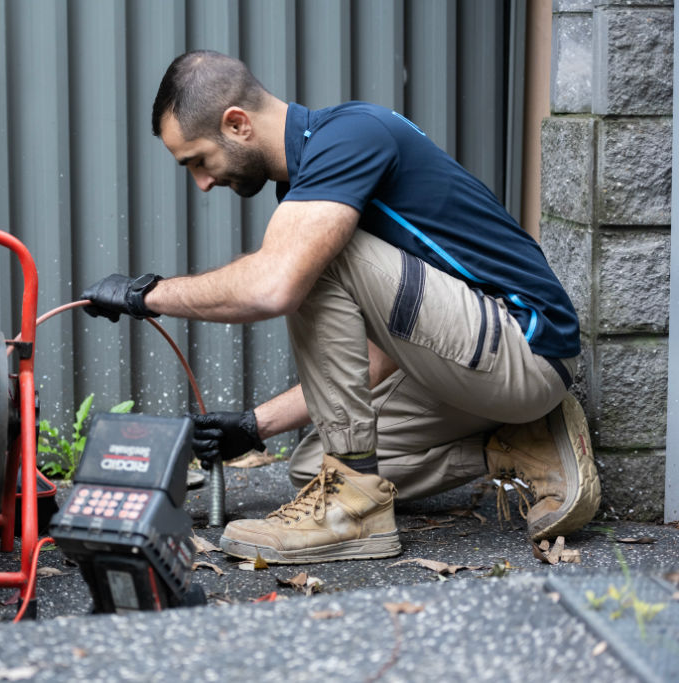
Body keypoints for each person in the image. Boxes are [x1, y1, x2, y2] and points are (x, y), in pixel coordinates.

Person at [81, 50, 600, 564]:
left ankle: (358, 514)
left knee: (309, 261)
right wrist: (251, 424)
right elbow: (383, 353)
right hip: (472, 361)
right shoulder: (318, 178)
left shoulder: (349, 138)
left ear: (236, 124)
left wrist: (144, 294)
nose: (202, 182)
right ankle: (523, 444)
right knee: (316, 467)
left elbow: (275, 287)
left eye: (197, 160)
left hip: (525, 347)